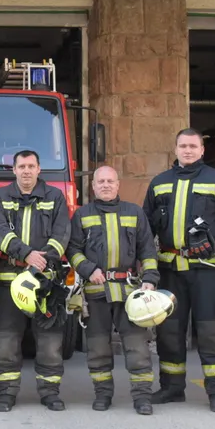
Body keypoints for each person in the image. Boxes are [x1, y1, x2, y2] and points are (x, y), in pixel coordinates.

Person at [142, 128, 215, 413]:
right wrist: (144, 264)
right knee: (169, 332)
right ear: (175, 149)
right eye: (182, 146)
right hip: (169, 269)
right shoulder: (159, 183)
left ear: (202, 150)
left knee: (211, 330)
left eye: (193, 146)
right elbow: (144, 229)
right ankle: (172, 388)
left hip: (208, 269)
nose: (187, 151)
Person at [67, 165, 160, 415]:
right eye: (101, 181)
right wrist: (87, 269)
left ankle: (142, 398)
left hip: (131, 293)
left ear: (118, 185)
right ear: (93, 186)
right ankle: (103, 395)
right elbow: (72, 249)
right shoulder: (81, 215)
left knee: (137, 347)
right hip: (96, 292)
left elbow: (148, 251)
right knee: (98, 348)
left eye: (110, 181)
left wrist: (150, 278)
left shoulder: (135, 212)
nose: (106, 185)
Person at [0, 150, 70, 412]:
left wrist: (41, 261)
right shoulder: (0, 197)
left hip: (45, 283)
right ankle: (7, 393)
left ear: (39, 169)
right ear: (13, 170)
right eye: (21, 166)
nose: (26, 171)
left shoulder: (55, 197)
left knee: (49, 342)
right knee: (7, 342)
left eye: (31, 166)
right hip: (9, 282)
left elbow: (61, 235)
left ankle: (50, 394)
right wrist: (27, 254)